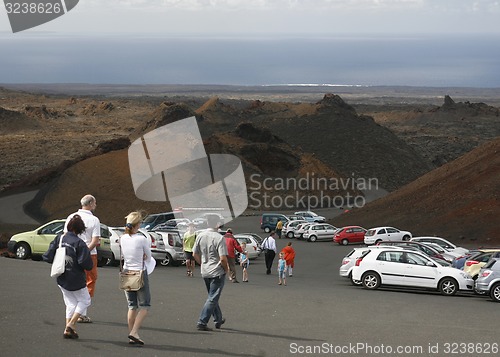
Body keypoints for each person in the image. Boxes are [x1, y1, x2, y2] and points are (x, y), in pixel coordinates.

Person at [43, 214, 93, 339]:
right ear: (80, 230)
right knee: (85, 300)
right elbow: (86, 264)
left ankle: (68, 329)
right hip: (76, 278)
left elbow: (48, 256)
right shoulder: (79, 243)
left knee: (70, 303)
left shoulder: (59, 238)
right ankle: (71, 324)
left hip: (61, 277)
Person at [64, 194, 100, 324]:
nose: (95, 205)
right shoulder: (94, 220)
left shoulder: (70, 217)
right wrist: (84, 252)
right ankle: (82, 313)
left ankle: (73, 312)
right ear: (90, 204)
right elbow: (95, 240)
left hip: (71, 254)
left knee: (73, 280)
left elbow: (65, 235)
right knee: (90, 281)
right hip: (90, 254)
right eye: (95, 203)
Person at [120, 211, 152, 346]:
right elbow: (149, 256)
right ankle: (134, 331)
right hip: (139, 272)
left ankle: (131, 334)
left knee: (131, 305)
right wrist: (144, 256)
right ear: (138, 224)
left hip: (127, 272)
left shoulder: (122, 238)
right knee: (145, 305)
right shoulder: (141, 239)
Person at [192, 214, 229, 331]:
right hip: (217, 271)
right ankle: (202, 321)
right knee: (213, 297)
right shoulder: (219, 238)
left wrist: (202, 263)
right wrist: (226, 269)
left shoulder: (200, 235)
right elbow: (223, 258)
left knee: (212, 296)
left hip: (205, 270)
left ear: (207, 223)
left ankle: (218, 319)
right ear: (217, 224)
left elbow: (194, 254)